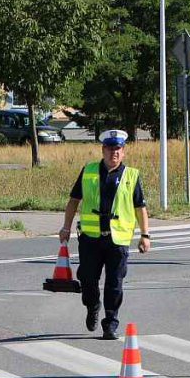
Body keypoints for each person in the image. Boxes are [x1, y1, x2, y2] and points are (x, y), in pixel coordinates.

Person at [59, 129, 150, 340]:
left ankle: (110, 323)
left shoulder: (131, 175)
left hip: (117, 239)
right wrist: (66, 227)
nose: (114, 153)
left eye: (118, 149)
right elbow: (74, 201)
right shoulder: (89, 171)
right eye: (110, 149)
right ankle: (92, 305)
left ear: (123, 152)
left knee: (114, 283)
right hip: (90, 238)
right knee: (88, 279)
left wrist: (145, 235)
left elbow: (140, 208)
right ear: (103, 150)